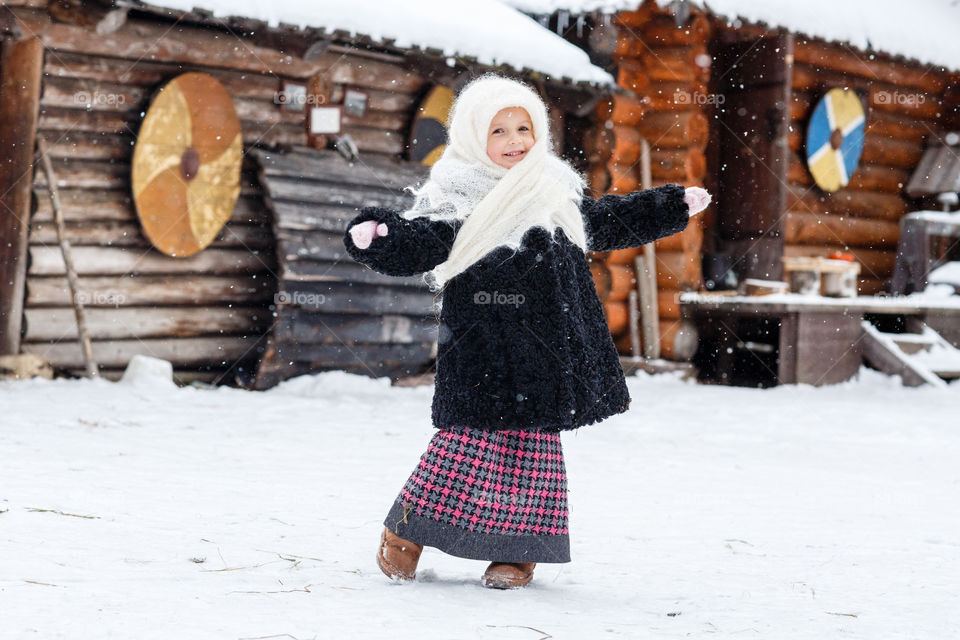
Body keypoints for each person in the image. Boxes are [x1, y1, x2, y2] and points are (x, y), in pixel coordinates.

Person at [344, 73, 710, 589]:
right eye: (498, 131)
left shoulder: (553, 191)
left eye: (523, 128)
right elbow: (420, 240)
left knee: (532, 459)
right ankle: (406, 532)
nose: (515, 141)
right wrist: (379, 235)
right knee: (463, 448)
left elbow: (605, 220)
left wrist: (668, 207)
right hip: (482, 348)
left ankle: (518, 555)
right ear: (474, 136)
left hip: (546, 355)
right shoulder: (459, 197)